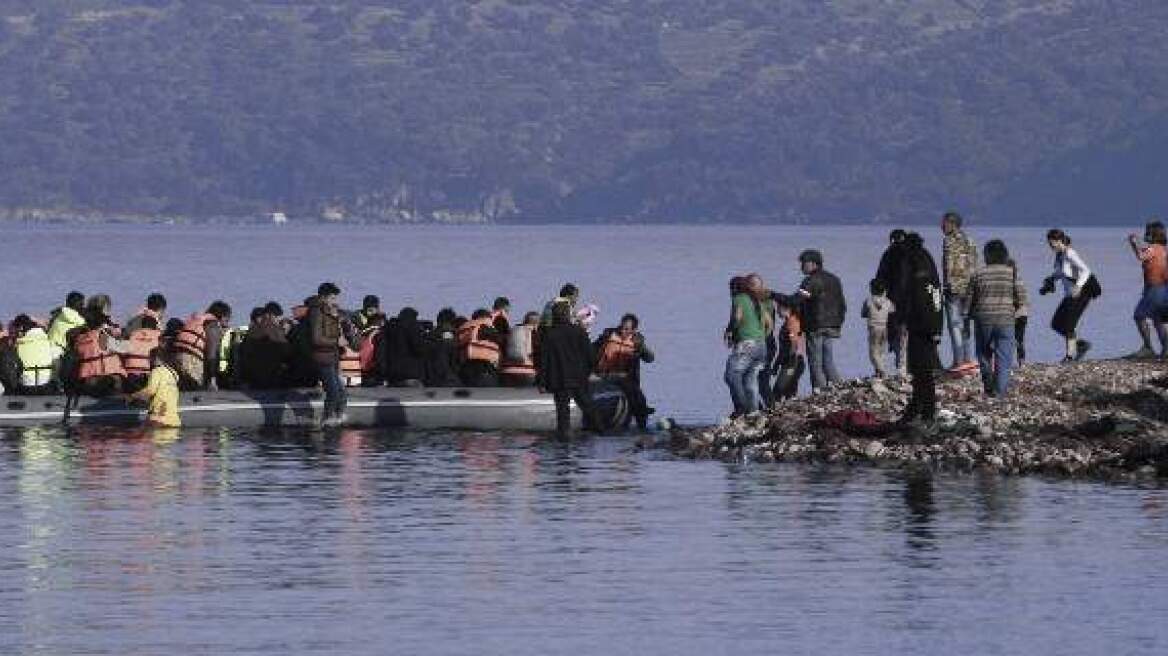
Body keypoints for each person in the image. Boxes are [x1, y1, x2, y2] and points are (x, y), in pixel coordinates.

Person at [970, 240, 1028, 397]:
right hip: (1006, 320)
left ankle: (988, 383)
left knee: (983, 353)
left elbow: (970, 300)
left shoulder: (978, 273)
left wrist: (968, 316)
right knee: (1004, 358)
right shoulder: (1012, 273)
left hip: (983, 319)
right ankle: (999, 393)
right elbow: (1022, 299)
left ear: (987, 255)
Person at [898, 233, 944, 427]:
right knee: (922, 370)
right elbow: (935, 296)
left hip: (921, 324)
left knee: (921, 370)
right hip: (930, 322)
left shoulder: (915, 264)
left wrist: (905, 318)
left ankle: (926, 411)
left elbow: (916, 297)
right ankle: (920, 408)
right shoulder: (927, 260)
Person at [538, 301, 598, 438]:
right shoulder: (579, 331)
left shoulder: (549, 335)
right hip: (579, 377)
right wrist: (589, 371)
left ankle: (564, 436)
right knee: (587, 406)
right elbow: (590, 355)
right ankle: (599, 430)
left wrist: (542, 382)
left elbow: (544, 361)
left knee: (563, 412)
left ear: (554, 316)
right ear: (568, 315)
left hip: (559, 379)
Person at [1040, 229, 1096, 362]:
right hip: (1069, 295)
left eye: (1051, 243)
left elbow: (1086, 270)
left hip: (1080, 294)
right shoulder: (1060, 255)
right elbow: (1062, 272)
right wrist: (1051, 279)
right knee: (1056, 324)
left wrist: (1078, 286)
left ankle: (1069, 356)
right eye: (1049, 243)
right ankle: (1080, 345)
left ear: (1059, 241)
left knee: (1069, 325)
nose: (1050, 246)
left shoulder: (1070, 253)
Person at [594, 313, 656, 430]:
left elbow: (650, 359)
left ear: (634, 330)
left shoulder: (637, 342)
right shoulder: (608, 336)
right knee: (628, 385)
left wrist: (641, 347)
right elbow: (591, 350)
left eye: (627, 329)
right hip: (602, 374)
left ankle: (642, 423)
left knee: (637, 394)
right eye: (622, 328)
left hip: (624, 377)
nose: (623, 331)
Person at [796, 250, 846, 391]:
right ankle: (838, 387)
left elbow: (796, 300)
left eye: (803, 263)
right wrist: (839, 322)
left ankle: (819, 390)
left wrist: (774, 295)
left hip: (815, 326)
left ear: (812, 264)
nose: (801, 267)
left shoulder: (810, 281)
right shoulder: (834, 279)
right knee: (828, 359)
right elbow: (842, 304)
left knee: (815, 361)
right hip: (832, 325)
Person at [723, 274, 771, 415]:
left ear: (735, 288)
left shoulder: (739, 298)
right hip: (761, 345)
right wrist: (760, 336)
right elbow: (769, 322)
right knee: (750, 380)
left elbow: (737, 317)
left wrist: (730, 331)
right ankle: (754, 412)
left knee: (731, 376)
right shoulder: (756, 300)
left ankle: (741, 408)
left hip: (747, 344)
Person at [67, 294, 127, 398]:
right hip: (110, 383)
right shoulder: (105, 336)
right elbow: (127, 349)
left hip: (89, 383)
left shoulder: (79, 338)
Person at [941, 211, 979, 373]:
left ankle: (959, 360)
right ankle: (968, 358)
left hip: (955, 288)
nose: (941, 226)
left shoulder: (949, 241)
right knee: (965, 324)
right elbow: (975, 263)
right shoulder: (970, 241)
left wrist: (948, 285)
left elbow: (949, 264)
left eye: (943, 223)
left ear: (951, 224)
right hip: (970, 288)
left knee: (954, 325)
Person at [306, 282, 347, 426]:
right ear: (323, 297)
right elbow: (316, 338)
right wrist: (337, 342)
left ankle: (339, 418)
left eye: (335, 298)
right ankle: (327, 420)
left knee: (341, 392)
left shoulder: (329, 312)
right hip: (322, 358)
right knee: (334, 391)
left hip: (332, 357)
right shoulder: (317, 312)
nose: (335, 301)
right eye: (332, 298)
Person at [1127, 220, 1168, 359]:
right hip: (1162, 289)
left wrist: (1133, 243)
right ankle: (1166, 349)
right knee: (1158, 320)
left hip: (1155, 289)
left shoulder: (1153, 248)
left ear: (1153, 234)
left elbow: (1141, 256)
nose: (1145, 234)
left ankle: (1148, 348)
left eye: (1147, 232)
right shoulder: (1163, 249)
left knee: (1139, 315)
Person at [171, 301, 232, 390]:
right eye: (227, 319)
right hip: (191, 361)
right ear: (222, 316)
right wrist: (212, 378)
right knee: (197, 391)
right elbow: (211, 354)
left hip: (176, 358)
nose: (228, 323)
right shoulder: (213, 325)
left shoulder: (198, 320)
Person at [877, 230, 910, 377]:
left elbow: (880, 278)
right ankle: (906, 365)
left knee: (896, 333)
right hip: (911, 302)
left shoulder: (888, 254)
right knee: (907, 334)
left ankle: (899, 366)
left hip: (893, 301)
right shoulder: (913, 255)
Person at [239, 303, 291, 389]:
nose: (278, 320)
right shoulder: (274, 330)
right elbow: (286, 351)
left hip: (253, 377)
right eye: (277, 317)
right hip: (272, 377)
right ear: (271, 315)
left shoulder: (252, 330)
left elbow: (245, 354)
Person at [126, 348, 182, 428]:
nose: (149, 361)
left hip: (158, 417)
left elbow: (150, 390)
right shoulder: (173, 373)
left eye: (150, 358)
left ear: (156, 358)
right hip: (174, 421)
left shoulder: (156, 371)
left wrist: (132, 396)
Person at [382, 307, 428, 386]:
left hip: (392, 376)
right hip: (411, 375)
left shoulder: (389, 329)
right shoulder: (411, 327)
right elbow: (419, 348)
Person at [12, 314, 58, 394]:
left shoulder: (18, 345)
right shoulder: (47, 339)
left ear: (21, 328)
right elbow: (56, 358)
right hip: (46, 383)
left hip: (26, 385)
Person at [458, 308, 503, 387]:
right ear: (486, 317)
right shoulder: (487, 327)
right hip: (485, 368)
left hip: (465, 367)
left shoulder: (463, 328)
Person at [772, 296, 805, 401]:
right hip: (789, 361)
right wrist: (776, 364)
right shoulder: (787, 323)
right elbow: (782, 349)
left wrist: (792, 359)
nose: (777, 312)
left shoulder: (792, 322)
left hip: (793, 362)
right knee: (788, 391)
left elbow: (794, 342)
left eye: (778, 309)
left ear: (786, 309)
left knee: (779, 390)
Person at [861, 278, 895, 378]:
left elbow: (863, 314)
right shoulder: (888, 302)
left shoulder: (868, 301)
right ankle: (878, 373)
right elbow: (893, 310)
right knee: (881, 351)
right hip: (884, 328)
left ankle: (882, 371)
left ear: (872, 289)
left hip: (873, 328)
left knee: (873, 353)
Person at [121, 315, 162, 393]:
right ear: (154, 326)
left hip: (130, 375)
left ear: (142, 325)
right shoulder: (157, 334)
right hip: (147, 376)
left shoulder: (132, 334)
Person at [500, 311, 541, 386]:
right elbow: (538, 353)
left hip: (507, 371)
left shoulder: (511, 332)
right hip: (526, 371)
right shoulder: (534, 333)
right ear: (536, 323)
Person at [425, 307, 462, 386]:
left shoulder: (430, 335)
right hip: (448, 379)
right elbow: (454, 357)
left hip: (431, 380)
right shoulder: (451, 335)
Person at [1010, 259, 1029, 364]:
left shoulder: (1015, 281)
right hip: (1022, 314)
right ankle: (1021, 361)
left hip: (1018, 314)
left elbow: (1021, 300)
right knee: (1019, 339)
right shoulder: (1018, 280)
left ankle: (1021, 361)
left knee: (1017, 339)